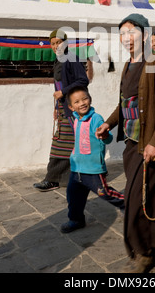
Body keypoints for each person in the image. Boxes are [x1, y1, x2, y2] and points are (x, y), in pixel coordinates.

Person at [96, 13, 155, 274]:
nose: (126, 38)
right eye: (122, 33)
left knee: (137, 197)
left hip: (150, 143)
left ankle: (143, 251)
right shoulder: (128, 65)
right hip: (132, 142)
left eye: (131, 32)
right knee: (150, 195)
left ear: (145, 35)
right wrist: (109, 124)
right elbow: (124, 104)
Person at [60, 86, 124, 233]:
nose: (82, 103)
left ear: (90, 99)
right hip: (76, 169)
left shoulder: (96, 119)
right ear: (71, 107)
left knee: (105, 193)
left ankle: (127, 205)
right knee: (73, 197)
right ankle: (76, 220)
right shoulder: (75, 120)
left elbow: (108, 140)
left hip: (93, 169)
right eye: (77, 102)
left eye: (85, 99)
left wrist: (105, 135)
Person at [33, 29, 89, 191]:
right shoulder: (59, 60)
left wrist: (63, 93)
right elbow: (59, 85)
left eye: (59, 42)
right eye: (53, 43)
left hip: (75, 108)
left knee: (63, 143)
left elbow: (82, 80)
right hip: (64, 108)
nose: (56, 46)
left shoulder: (72, 58)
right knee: (67, 143)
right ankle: (66, 178)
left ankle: (53, 180)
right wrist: (57, 108)